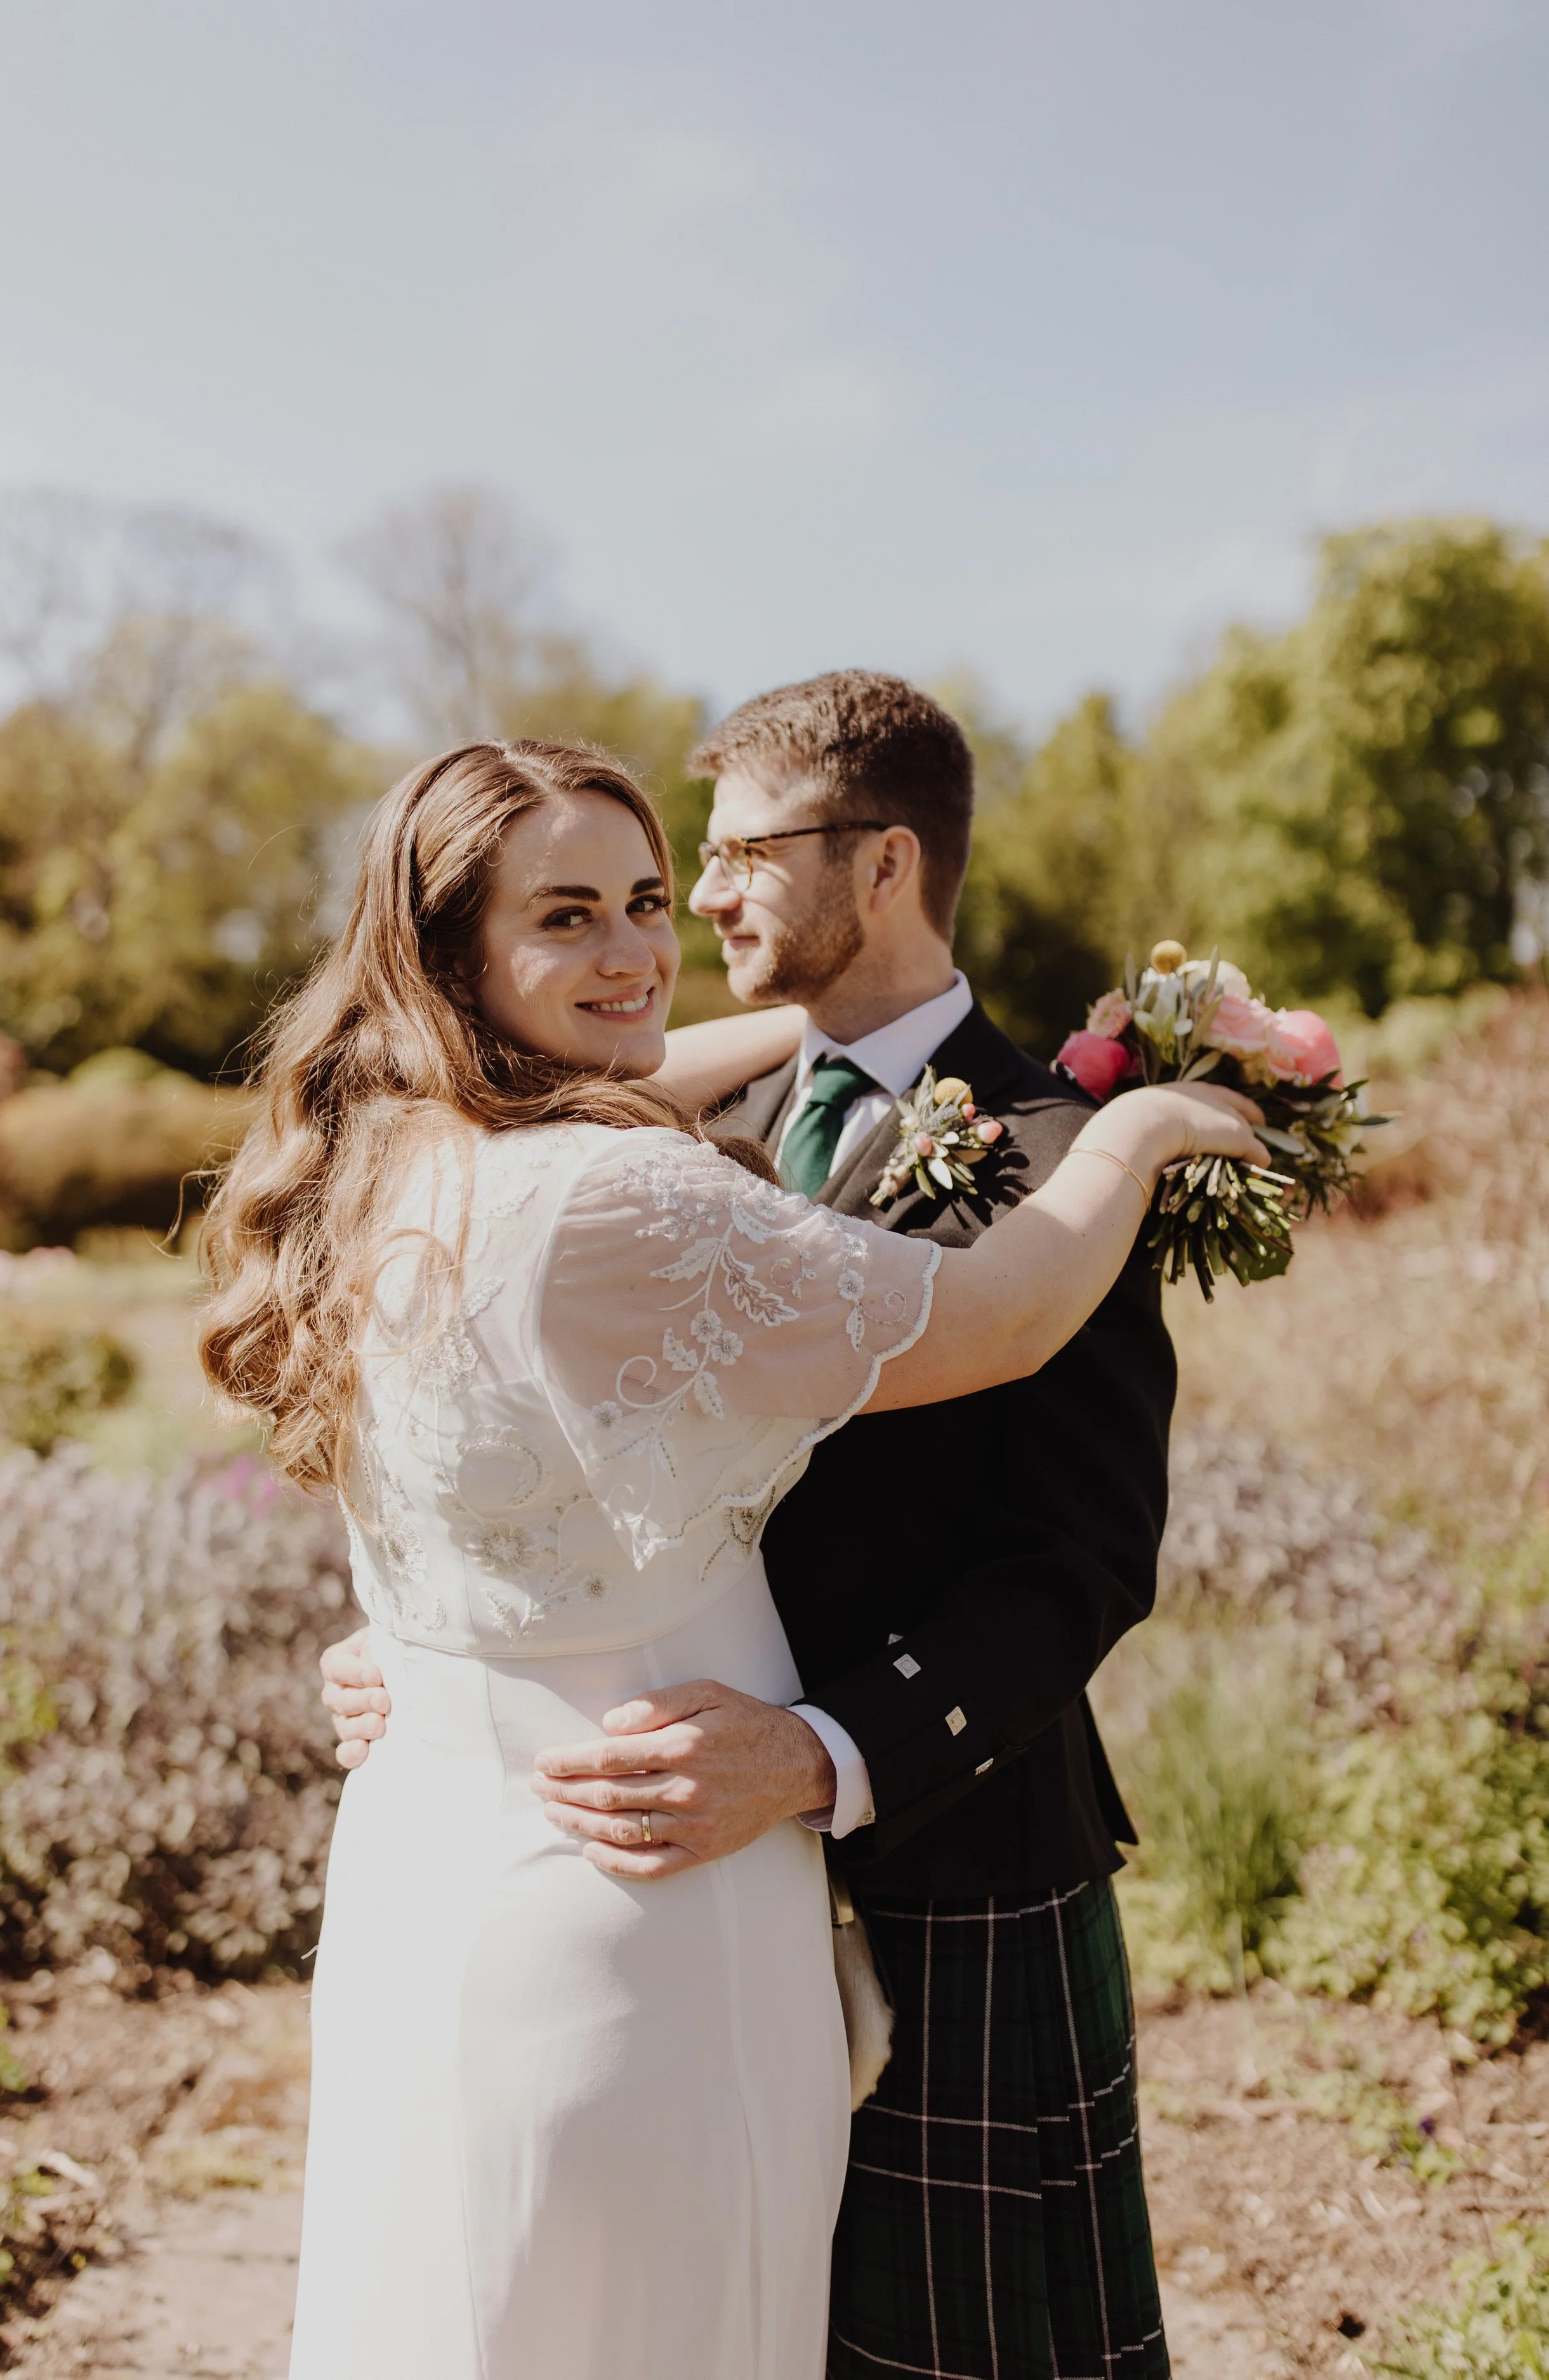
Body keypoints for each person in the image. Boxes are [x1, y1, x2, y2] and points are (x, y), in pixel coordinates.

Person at [226, 733, 1262, 2380]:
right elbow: (994, 1314)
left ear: (884, 864)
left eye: (669, 884)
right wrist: (1137, 1127)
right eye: (571, 912)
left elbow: (1077, 1553)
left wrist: (468, 1658)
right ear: (453, 955)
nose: (658, 931)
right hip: (647, 1915)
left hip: (699, 1856)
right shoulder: (611, 1172)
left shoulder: (385, 1159)